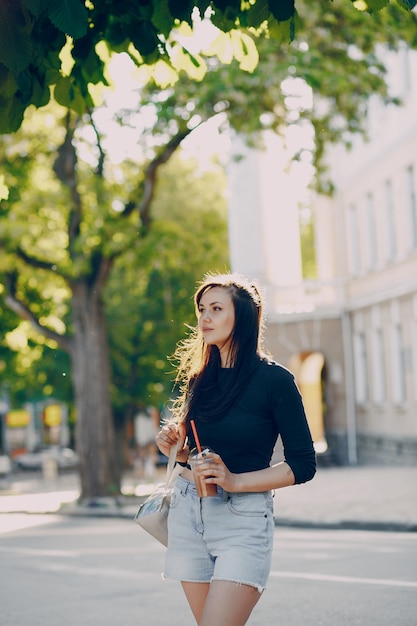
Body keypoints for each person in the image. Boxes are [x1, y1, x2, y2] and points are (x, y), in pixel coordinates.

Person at [155, 272, 316, 626]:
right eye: (201, 309)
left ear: (242, 316)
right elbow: (196, 451)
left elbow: (303, 463)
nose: (204, 318)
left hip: (241, 519)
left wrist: (234, 481)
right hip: (188, 513)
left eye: (215, 308)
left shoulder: (276, 381)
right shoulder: (201, 378)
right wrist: (176, 449)